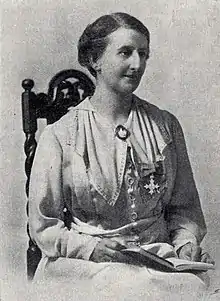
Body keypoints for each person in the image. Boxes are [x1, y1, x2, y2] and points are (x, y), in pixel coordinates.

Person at [29, 12, 214, 300]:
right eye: (125, 53)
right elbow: (44, 225)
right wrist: (90, 249)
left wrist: (185, 244)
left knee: (196, 288)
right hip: (88, 264)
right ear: (95, 60)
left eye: (143, 54)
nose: (137, 64)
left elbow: (184, 209)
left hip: (158, 260)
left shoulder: (165, 126)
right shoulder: (61, 135)